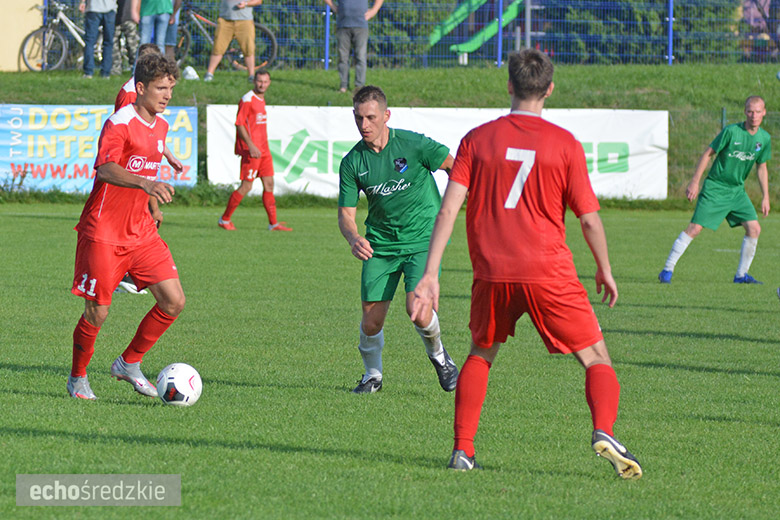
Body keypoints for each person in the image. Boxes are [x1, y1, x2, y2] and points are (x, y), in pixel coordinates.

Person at [411, 49, 642, 479]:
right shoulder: (565, 144)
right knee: (596, 356)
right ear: (549, 89)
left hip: (492, 271)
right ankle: (604, 431)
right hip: (548, 271)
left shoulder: (477, 140)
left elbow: (449, 209)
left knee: (481, 353)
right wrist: (604, 268)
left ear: (510, 86)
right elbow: (589, 219)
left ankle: (463, 451)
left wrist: (430, 274)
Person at [67, 53, 184, 401]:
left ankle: (129, 362)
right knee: (98, 312)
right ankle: (77, 378)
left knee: (173, 301)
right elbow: (105, 169)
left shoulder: (161, 126)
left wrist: (152, 202)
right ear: (140, 88)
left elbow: (147, 170)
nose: (167, 96)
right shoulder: (119, 123)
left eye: (170, 89)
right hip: (103, 232)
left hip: (141, 232)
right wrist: (147, 185)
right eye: (161, 88)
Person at [338, 85, 458, 394]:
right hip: (380, 246)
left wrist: (454, 205)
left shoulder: (414, 144)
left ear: (386, 115)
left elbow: (455, 167)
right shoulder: (353, 162)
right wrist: (353, 237)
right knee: (371, 323)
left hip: (422, 240)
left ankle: (440, 358)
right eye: (358, 118)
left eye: (371, 117)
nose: (364, 124)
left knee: (418, 310)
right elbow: (346, 214)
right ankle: (372, 377)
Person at [658, 96, 770, 284]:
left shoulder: (764, 138)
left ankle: (741, 275)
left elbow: (762, 167)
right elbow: (707, 154)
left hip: (737, 191)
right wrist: (695, 181)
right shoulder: (731, 132)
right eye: (750, 111)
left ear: (764, 113)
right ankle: (667, 270)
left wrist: (765, 196)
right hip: (715, 188)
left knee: (754, 228)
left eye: (758, 111)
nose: (754, 115)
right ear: (745, 112)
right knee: (695, 228)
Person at [113, 43, 184, 295]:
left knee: (174, 301)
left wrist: (168, 154)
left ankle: (128, 274)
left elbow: (148, 132)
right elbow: (131, 132)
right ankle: (124, 275)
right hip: (128, 174)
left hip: (140, 172)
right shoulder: (129, 94)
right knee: (131, 222)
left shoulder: (153, 103)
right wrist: (153, 204)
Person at [218, 69, 291, 232]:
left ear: (269, 83)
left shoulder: (261, 99)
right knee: (246, 186)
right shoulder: (247, 100)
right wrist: (250, 145)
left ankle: (273, 223)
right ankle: (224, 219)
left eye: (265, 82)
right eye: (259, 81)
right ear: (254, 81)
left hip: (264, 150)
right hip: (253, 151)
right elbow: (239, 123)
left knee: (269, 184)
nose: (262, 85)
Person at [323, 0, 383, 93]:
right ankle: (343, 86)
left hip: (361, 26)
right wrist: (333, 7)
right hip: (343, 25)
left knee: (360, 57)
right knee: (343, 58)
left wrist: (374, 10)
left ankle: (359, 87)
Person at [204, 0, 264, 82]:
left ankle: (251, 76)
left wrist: (246, 4)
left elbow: (258, 1)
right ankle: (209, 74)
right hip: (225, 21)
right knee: (218, 48)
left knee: (248, 49)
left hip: (245, 21)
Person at [80, 0, 117, 78]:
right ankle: (105, 73)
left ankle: (88, 72)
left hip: (93, 8)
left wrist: (82, 2)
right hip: (110, 8)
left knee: (90, 41)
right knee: (108, 42)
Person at [111, 0, 140, 76]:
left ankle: (135, 68)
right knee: (114, 46)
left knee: (132, 46)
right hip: (114, 18)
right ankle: (116, 70)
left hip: (129, 18)